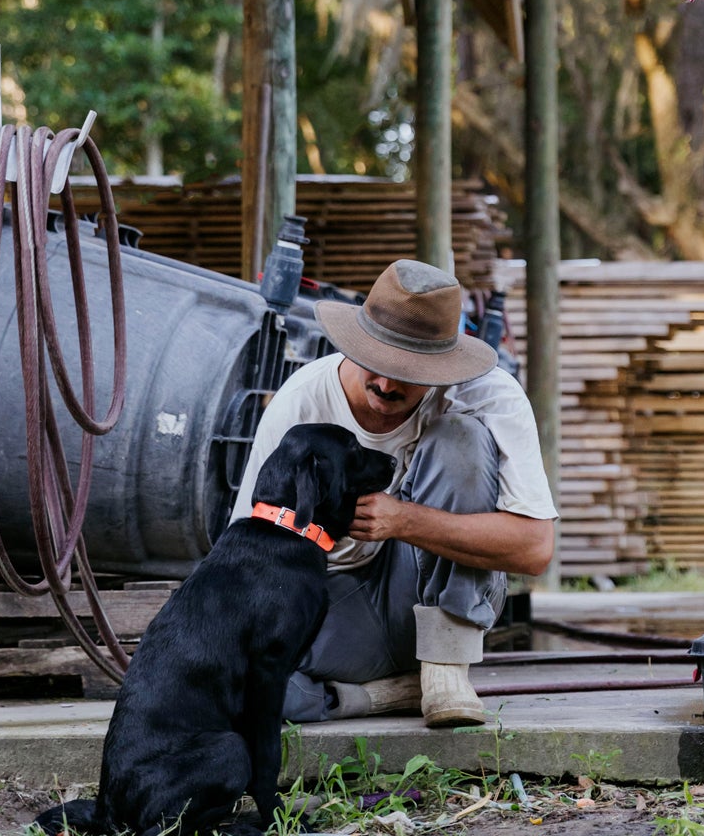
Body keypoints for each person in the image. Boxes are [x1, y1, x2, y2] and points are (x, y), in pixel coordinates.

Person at [228, 257, 556, 728]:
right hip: (337, 606)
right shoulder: (301, 402)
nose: (384, 383)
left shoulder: (491, 397)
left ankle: (444, 669)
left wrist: (402, 520)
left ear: (444, 365)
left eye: (408, 370)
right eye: (375, 361)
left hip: (429, 595)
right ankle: (385, 694)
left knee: (460, 438)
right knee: (251, 691)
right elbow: (252, 554)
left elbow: (535, 549)